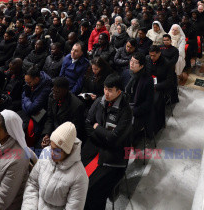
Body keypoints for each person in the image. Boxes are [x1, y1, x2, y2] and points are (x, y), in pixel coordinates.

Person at [82, 73, 132, 210]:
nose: (106, 93)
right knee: (76, 180)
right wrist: (103, 136)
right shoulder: (99, 101)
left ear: (119, 91)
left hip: (114, 156)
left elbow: (114, 139)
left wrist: (97, 128)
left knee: (92, 189)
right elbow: (87, 123)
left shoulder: (126, 112)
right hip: (94, 148)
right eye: (105, 88)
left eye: (110, 90)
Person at [22, 122, 88, 210]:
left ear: (67, 151)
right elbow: (32, 183)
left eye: (57, 151)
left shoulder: (79, 176)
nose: (51, 153)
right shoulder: (46, 152)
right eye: (51, 147)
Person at [41, 77, 85, 148]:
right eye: (53, 90)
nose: (54, 93)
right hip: (54, 132)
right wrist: (47, 135)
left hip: (67, 138)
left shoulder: (77, 105)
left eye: (57, 92)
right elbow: (50, 118)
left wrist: (56, 141)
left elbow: (74, 130)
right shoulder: (52, 97)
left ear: (65, 91)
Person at [145, 46, 175, 132]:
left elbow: (169, 81)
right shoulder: (148, 59)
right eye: (150, 55)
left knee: (153, 102)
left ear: (159, 53)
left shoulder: (167, 63)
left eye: (154, 55)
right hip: (149, 83)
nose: (152, 58)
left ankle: (155, 126)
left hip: (161, 87)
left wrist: (155, 86)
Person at [125, 52, 154, 139]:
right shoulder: (126, 73)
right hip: (126, 106)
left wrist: (133, 111)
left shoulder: (147, 80)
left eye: (135, 62)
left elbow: (148, 103)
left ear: (141, 66)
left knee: (125, 129)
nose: (132, 64)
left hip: (138, 111)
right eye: (131, 61)